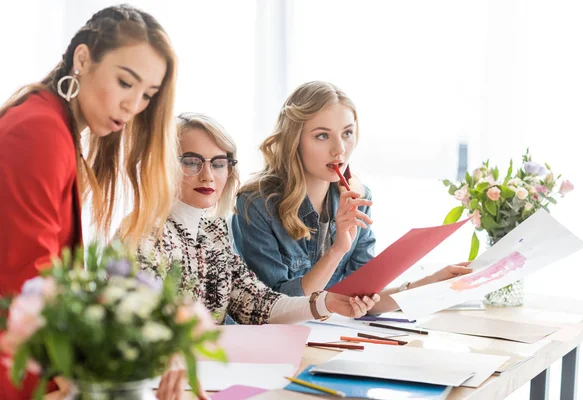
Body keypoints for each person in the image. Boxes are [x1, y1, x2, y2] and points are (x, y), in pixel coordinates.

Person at [0, 5, 179, 399]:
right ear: (83, 59)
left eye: (147, 94)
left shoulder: (53, 127)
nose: (134, 106)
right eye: (125, 82)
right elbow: (27, 281)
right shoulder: (39, 131)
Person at [137, 113, 380, 398]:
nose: (207, 175)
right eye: (191, 162)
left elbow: (258, 305)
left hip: (210, 380)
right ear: (163, 166)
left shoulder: (213, 230)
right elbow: (140, 334)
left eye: (219, 163)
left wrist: (325, 302)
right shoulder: (146, 236)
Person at [232, 81, 472, 314]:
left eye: (347, 133)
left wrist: (429, 283)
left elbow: (361, 298)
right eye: (322, 136)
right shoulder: (257, 205)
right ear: (294, 141)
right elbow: (277, 308)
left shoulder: (357, 195)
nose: (340, 149)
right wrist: (337, 250)